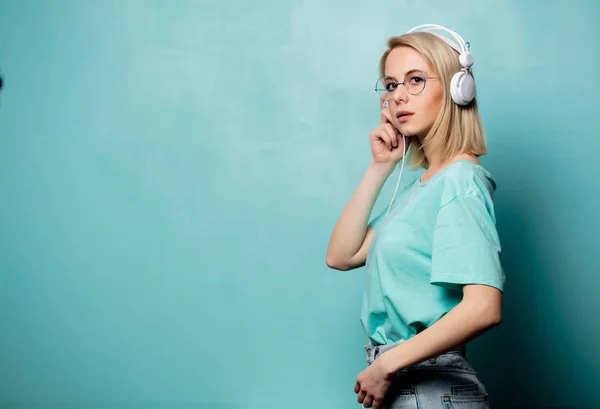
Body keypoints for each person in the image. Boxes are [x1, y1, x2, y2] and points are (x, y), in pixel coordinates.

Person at [326, 24, 505, 409]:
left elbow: (483, 306)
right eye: (391, 85)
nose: (399, 96)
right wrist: (381, 166)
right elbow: (340, 256)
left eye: (416, 80)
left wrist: (388, 364)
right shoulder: (420, 187)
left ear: (460, 89)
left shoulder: (461, 179)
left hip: (428, 386)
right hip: (404, 385)